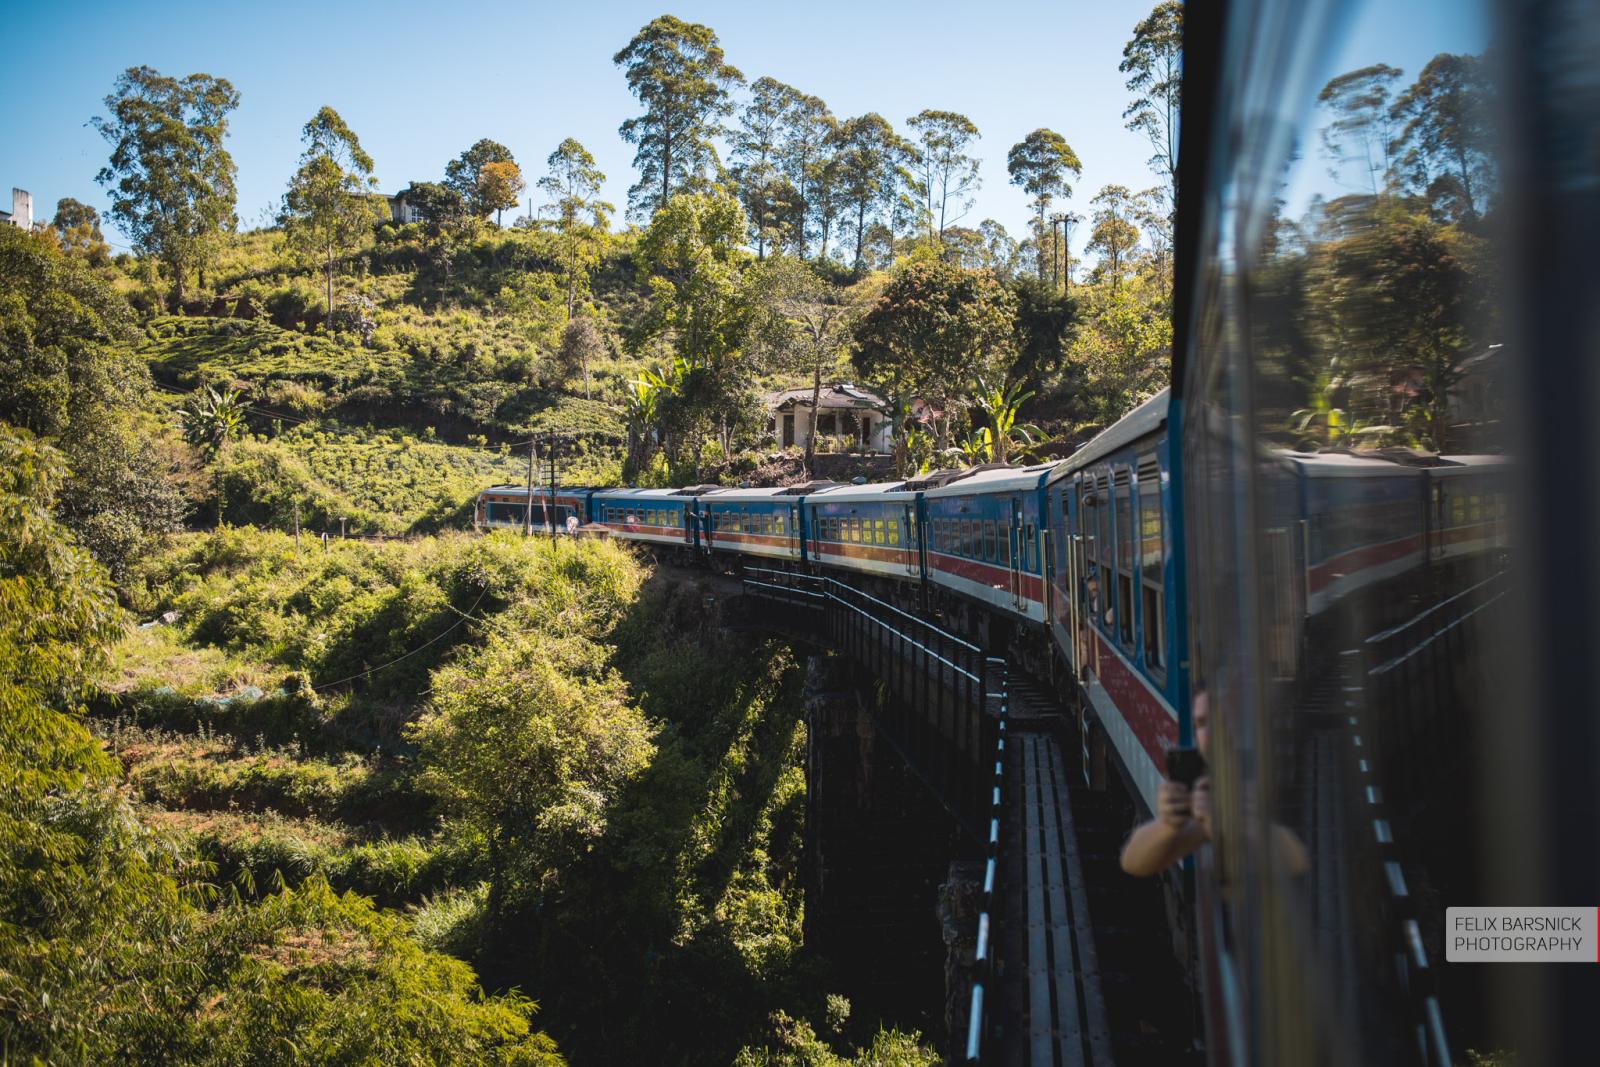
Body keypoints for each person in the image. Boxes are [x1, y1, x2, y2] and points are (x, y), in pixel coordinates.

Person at [1120, 687, 1214, 876]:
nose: (1208, 734)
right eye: (1201, 724)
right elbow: (1131, 861)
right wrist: (1168, 825)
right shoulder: (1208, 794)